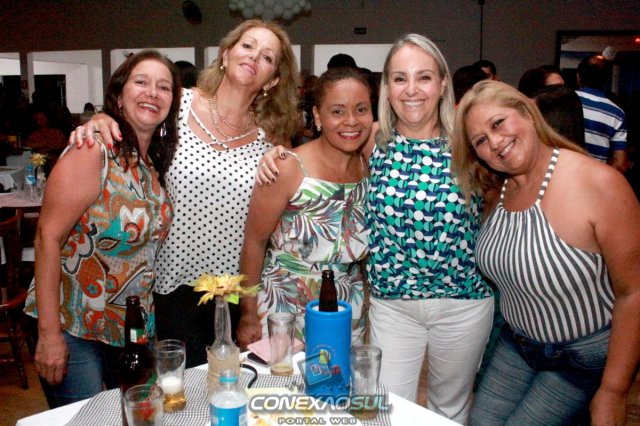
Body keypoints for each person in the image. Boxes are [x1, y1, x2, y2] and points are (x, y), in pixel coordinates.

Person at [258, 34, 494, 425]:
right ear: (387, 88)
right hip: (392, 307)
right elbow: (328, 142)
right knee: (386, 408)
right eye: (400, 78)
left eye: (423, 77)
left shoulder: (469, 142)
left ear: (442, 84)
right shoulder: (373, 139)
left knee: (450, 410)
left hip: (463, 305)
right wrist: (276, 152)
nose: (412, 89)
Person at [69, 19, 300, 367]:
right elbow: (131, 124)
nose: (254, 57)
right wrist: (102, 119)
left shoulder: (272, 139)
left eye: (268, 57)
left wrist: (250, 309)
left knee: (230, 383)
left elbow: (271, 222)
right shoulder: (177, 105)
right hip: (170, 283)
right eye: (247, 46)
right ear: (226, 55)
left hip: (234, 291)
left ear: (273, 80)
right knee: (184, 386)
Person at [452, 80, 640, 425]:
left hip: (581, 357)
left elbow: (634, 291)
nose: (495, 142)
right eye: (480, 140)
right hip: (517, 345)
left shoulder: (597, 183)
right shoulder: (498, 189)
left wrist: (614, 390)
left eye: (498, 123)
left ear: (527, 112)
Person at [24, 50, 180, 408]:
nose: (152, 93)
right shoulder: (93, 149)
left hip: (131, 328)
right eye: (141, 82)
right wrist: (49, 335)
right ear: (119, 96)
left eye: (164, 87)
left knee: (135, 414)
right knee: (88, 417)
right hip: (74, 325)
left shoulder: (151, 165)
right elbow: (47, 238)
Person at [237, 67, 372, 347]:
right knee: (281, 375)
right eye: (337, 111)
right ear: (318, 116)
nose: (351, 121)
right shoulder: (287, 167)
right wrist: (248, 314)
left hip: (348, 303)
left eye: (361, 109)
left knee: (338, 374)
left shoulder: (370, 165)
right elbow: (254, 242)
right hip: (283, 302)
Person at [576, 55, 629, 173]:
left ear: (578, 76)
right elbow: (620, 164)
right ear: (607, 81)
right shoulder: (617, 113)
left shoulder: (563, 100)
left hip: (560, 175)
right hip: (593, 179)